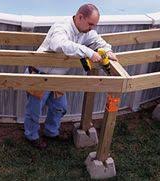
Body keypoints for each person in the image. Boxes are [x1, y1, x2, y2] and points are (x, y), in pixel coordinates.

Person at [24, 3, 118, 149]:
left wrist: (107, 50)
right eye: (91, 24)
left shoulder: (86, 31)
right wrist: (88, 52)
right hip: (40, 76)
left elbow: (98, 41)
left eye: (94, 25)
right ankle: (32, 136)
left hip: (57, 79)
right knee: (34, 111)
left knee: (60, 107)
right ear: (80, 17)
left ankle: (51, 132)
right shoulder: (61, 27)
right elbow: (59, 44)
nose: (92, 28)